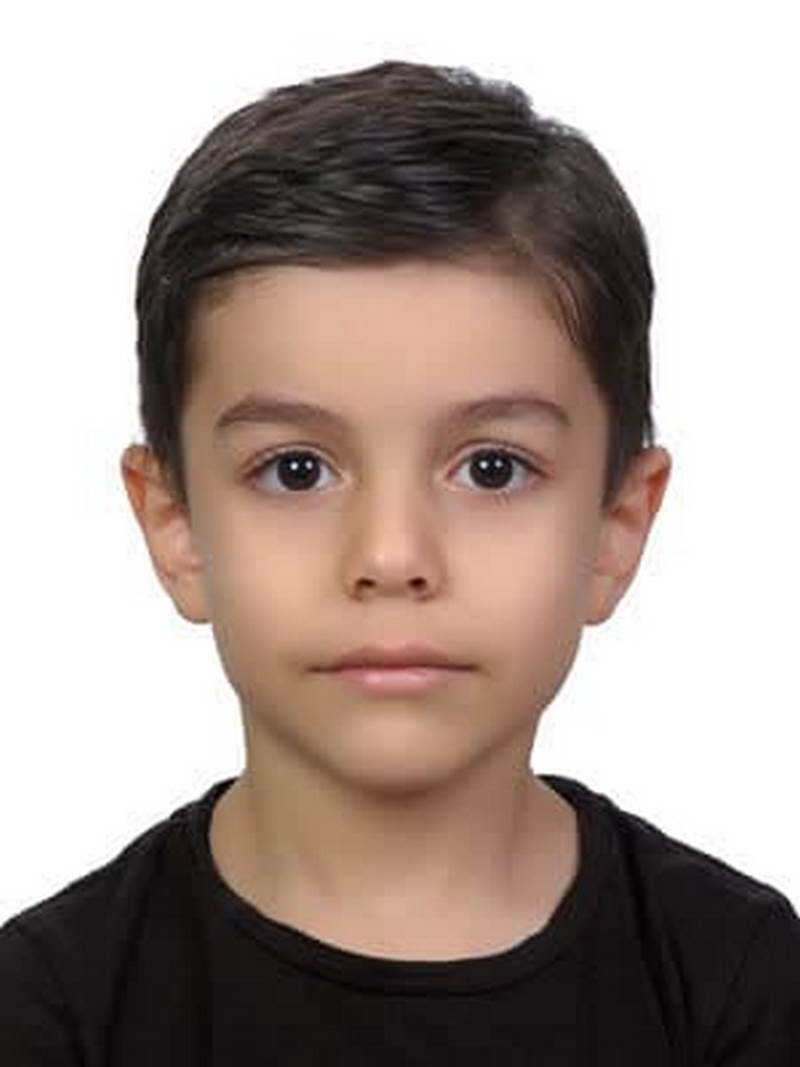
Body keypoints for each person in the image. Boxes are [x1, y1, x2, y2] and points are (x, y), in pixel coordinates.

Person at [1, 58, 798, 1065]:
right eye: (295, 469)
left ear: (615, 525)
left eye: (492, 467)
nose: (390, 556)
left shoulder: (738, 983)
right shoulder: (50, 1010)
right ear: (175, 525)